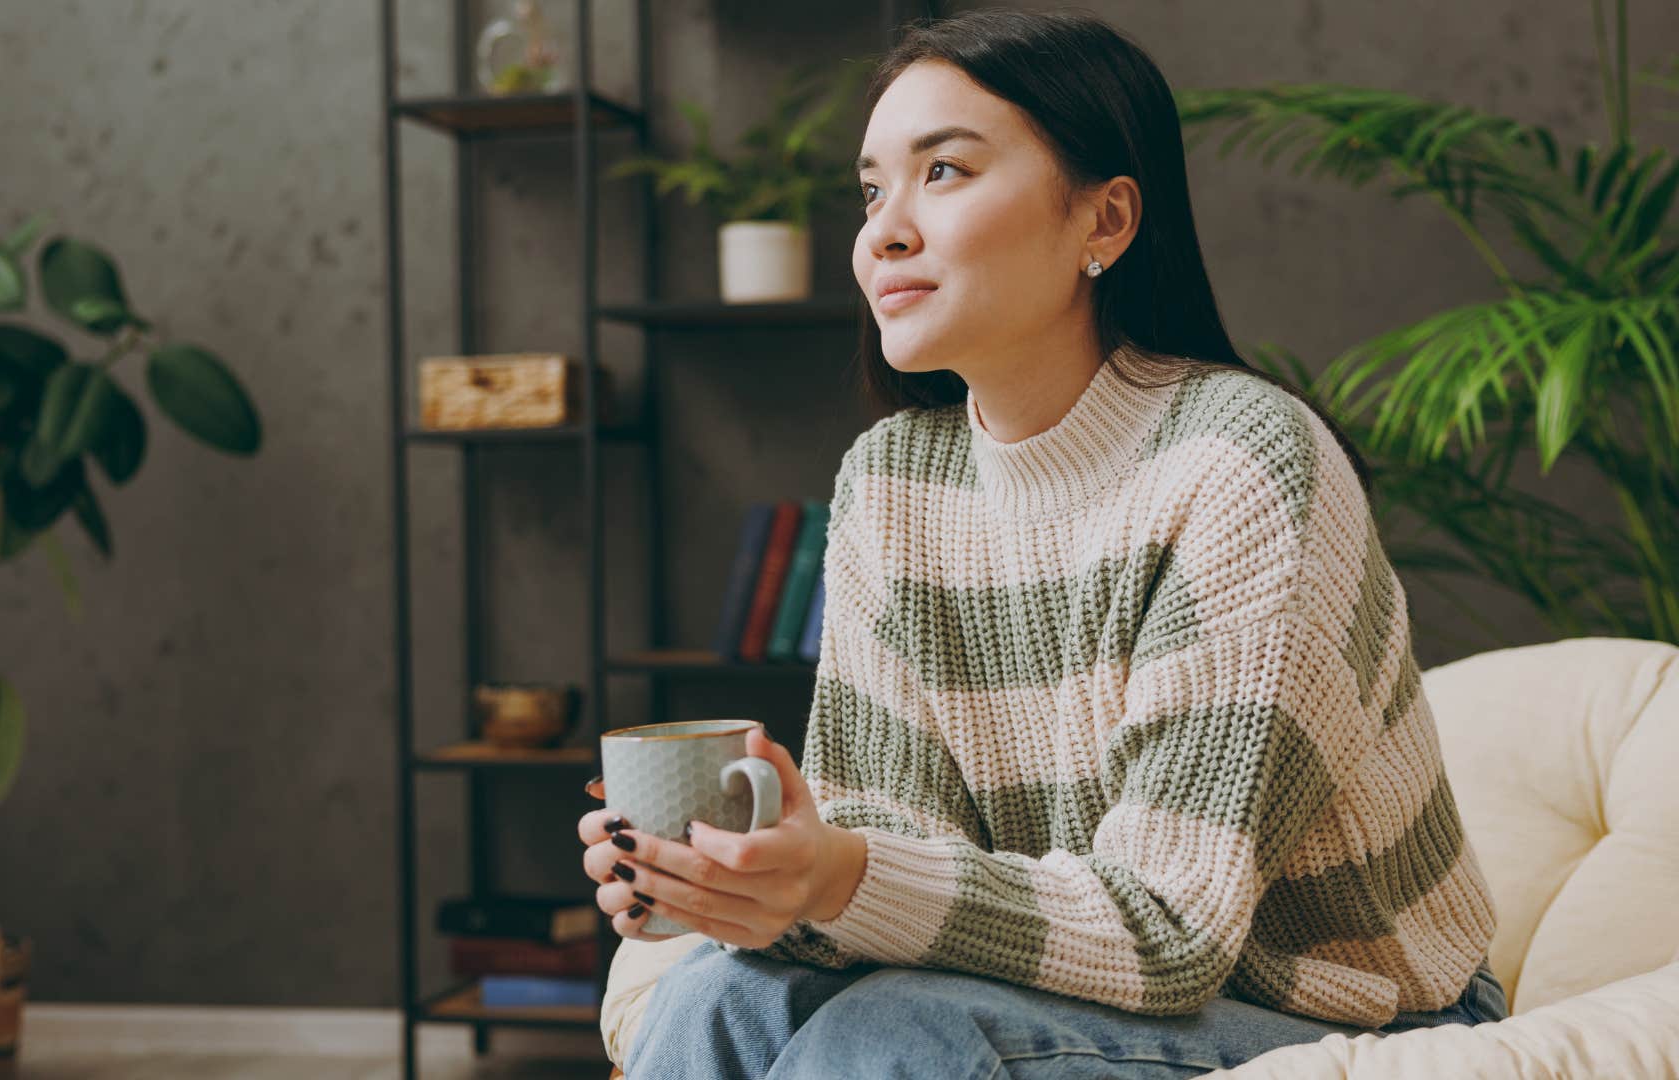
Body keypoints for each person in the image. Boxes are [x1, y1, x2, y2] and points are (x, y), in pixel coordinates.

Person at [577, 8, 1507, 1077]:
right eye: (874, 189)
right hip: (1063, 987)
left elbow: (1172, 929)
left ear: (1103, 222)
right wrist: (763, 885)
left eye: (947, 172)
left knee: (887, 1036)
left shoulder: (1241, 467)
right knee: (716, 997)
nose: (883, 230)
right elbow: (895, 846)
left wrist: (835, 879)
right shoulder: (891, 486)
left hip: (1362, 1016)